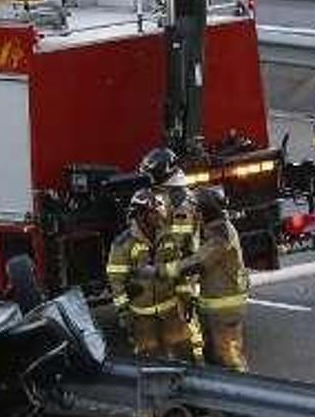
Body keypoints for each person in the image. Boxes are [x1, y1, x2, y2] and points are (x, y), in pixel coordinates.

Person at [158, 188, 249, 371]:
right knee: (214, 356)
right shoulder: (211, 229)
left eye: (195, 209)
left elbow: (199, 263)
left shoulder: (221, 233)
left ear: (203, 211)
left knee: (230, 358)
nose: (192, 213)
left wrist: (161, 271)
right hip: (215, 304)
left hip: (224, 308)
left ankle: (241, 391)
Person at [106, 189, 199, 363]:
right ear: (141, 216)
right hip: (142, 317)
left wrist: (187, 298)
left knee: (185, 355)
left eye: (159, 211)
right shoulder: (123, 244)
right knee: (150, 362)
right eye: (153, 212)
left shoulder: (168, 238)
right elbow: (116, 281)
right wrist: (124, 313)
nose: (159, 216)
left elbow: (177, 272)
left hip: (171, 311)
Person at [138, 147, 205, 359]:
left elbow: (177, 241)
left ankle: (197, 368)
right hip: (176, 267)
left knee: (185, 320)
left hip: (182, 269)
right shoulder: (172, 194)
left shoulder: (180, 201)